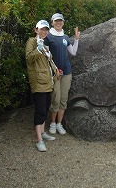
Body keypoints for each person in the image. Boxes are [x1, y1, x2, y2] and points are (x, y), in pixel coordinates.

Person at [44, 13, 80, 135]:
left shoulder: (65, 37)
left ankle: (59, 124)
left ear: (63, 22)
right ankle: (52, 123)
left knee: (63, 99)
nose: (58, 23)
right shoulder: (48, 37)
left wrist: (76, 39)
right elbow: (45, 56)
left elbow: (73, 52)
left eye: (60, 21)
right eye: (56, 21)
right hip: (54, 73)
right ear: (52, 22)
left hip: (67, 72)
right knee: (55, 98)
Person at [26, 20, 59, 152]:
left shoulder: (43, 44)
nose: (44, 31)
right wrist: (38, 50)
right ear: (36, 30)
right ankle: (39, 140)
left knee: (45, 108)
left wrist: (56, 71)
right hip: (38, 83)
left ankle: (43, 133)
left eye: (46, 29)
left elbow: (48, 62)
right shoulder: (32, 42)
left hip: (47, 82)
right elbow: (28, 58)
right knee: (40, 110)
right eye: (41, 29)